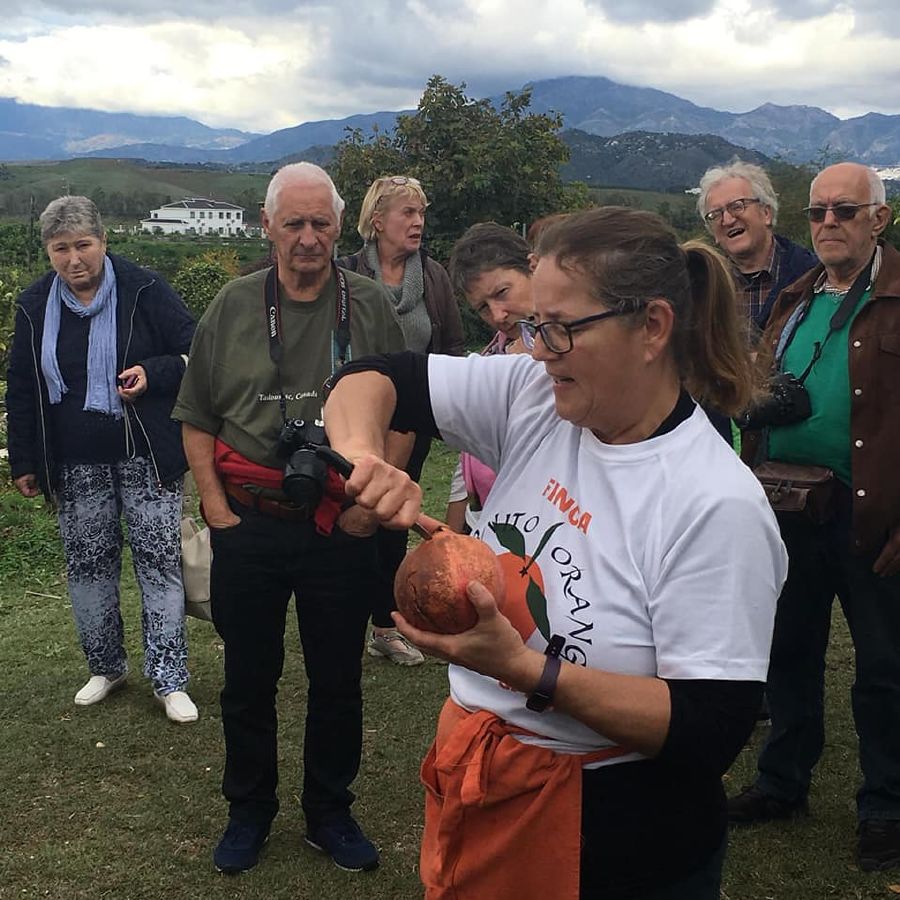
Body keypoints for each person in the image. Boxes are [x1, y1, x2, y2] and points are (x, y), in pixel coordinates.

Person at [323, 207, 789, 899]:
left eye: (561, 328)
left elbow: (709, 730)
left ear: (653, 328)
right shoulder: (536, 396)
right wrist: (364, 458)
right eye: (534, 325)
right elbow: (373, 377)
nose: (537, 349)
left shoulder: (713, 503)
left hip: (616, 839)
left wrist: (522, 669)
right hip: (483, 784)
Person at [172, 162, 406, 875]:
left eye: (321, 224)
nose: (308, 238)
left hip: (341, 524)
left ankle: (329, 812)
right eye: (294, 223)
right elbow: (196, 417)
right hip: (251, 522)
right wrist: (216, 509)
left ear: (340, 228)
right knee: (249, 677)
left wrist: (370, 512)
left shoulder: (367, 304)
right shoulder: (236, 305)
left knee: (338, 678)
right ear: (268, 225)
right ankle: (249, 811)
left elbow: (406, 417)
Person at [727, 162, 900, 872]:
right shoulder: (795, 300)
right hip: (787, 513)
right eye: (819, 212)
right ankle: (781, 783)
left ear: (880, 219)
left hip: (874, 521)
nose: (829, 223)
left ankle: (886, 807)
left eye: (846, 212)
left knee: (885, 669)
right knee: (787, 655)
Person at [5, 195, 198, 723]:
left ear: (103, 241)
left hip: (147, 455)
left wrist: (152, 374)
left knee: (159, 565)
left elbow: (196, 349)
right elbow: (21, 386)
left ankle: (169, 678)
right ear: (48, 251)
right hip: (74, 461)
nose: (74, 260)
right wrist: (23, 458)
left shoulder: (144, 289)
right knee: (89, 568)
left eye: (83, 245)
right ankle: (106, 666)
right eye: (60, 248)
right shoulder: (33, 304)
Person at [338, 174, 464, 666]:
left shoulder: (432, 277)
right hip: (353, 418)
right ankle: (341, 615)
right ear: (376, 221)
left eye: (421, 213)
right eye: (407, 213)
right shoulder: (344, 273)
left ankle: (385, 625)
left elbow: (451, 347)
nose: (418, 223)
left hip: (409, 422)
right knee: (347, 515)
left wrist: (441, 411)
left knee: (392, 521)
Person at [443, 222, 535, 534]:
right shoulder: (491, 356)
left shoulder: (569, 358)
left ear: (533, 267)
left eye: (502, 293)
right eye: (483, 307)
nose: (497, 315)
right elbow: (469, 454)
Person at [698, 160, 818, 337]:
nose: (728, 220)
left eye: (737, 206)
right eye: (715, 215)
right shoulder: (703, 288)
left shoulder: (812, 276)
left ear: (766, 213)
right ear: (713, 234)